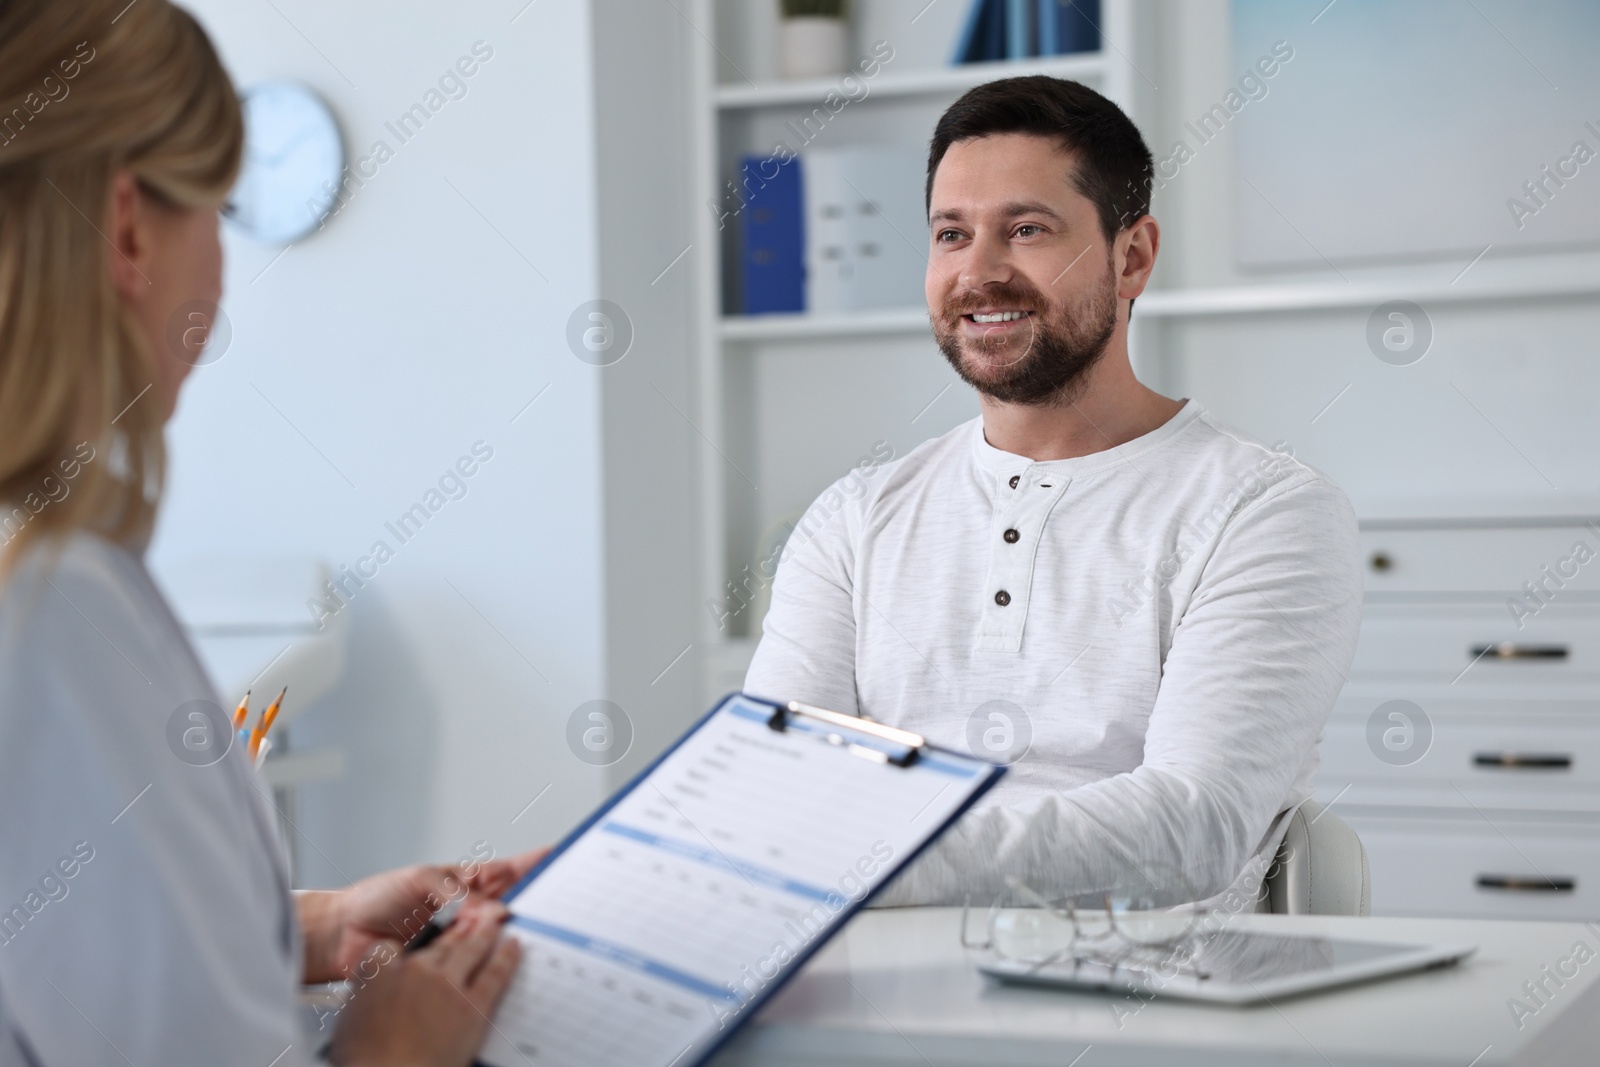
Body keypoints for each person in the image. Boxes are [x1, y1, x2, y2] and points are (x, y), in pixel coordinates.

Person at [0, 3, 537, 1064]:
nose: (221, 271)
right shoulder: (52, 604)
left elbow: (78, 939)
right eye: (219, 210)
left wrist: (323, 924)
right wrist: (391, 1049)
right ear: (126, 228)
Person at [745, 76, 1364, 910]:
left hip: (1144, 1010)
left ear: (1132, 256)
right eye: (951, 234)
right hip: (853, 979)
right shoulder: (854, 519)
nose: (979, 272)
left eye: (1027, 229)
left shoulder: (1267, 512)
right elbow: (770, 784)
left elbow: (1193, 824)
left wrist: (856, 861)